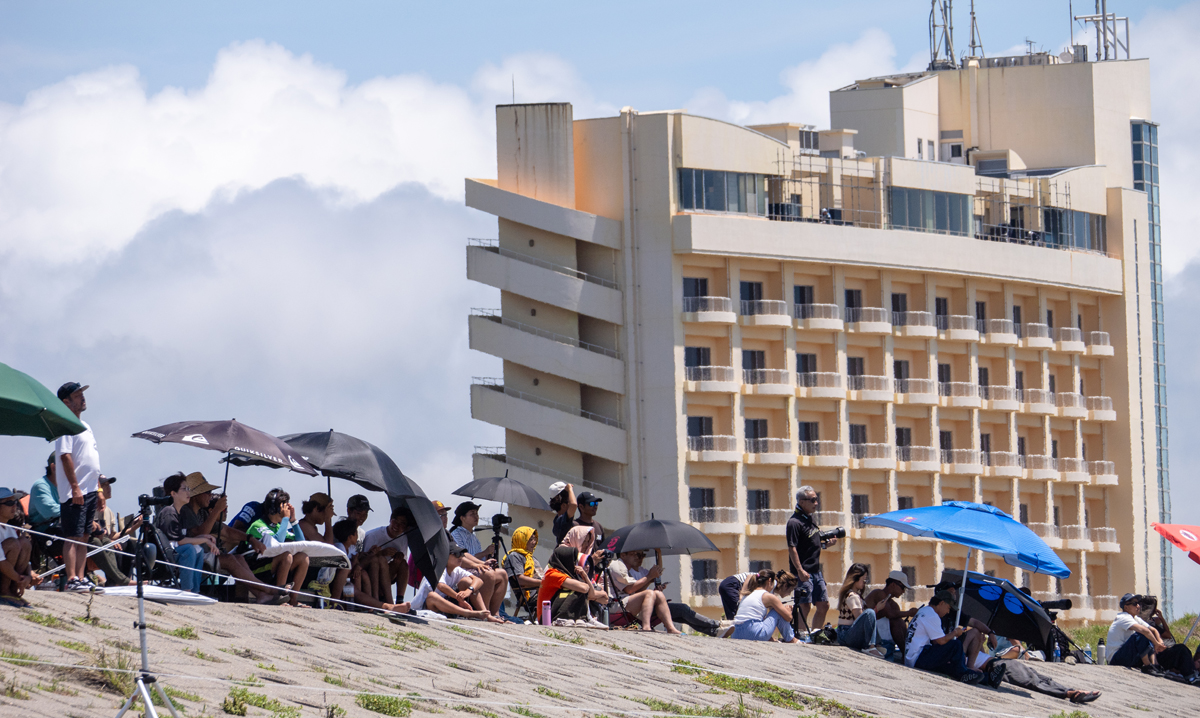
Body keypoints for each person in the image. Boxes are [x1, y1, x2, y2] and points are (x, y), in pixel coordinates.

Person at [54, 382, 105, 593]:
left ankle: (82, 577)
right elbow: (65, 456)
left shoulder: (85, 425)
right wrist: (75, 487)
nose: (82, 398)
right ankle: (71, 578)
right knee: (72, 536)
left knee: (84, 536)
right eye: (77, 395)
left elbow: (92, 460)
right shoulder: (65, 425)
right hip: (74, 492)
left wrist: (99, 490)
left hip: (90, 489)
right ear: (66, 402)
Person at [905, 591, 1005, 687]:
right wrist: (955, 633)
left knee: (950, 668)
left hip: (912, 659)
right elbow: (941, 641)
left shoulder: (924, 611)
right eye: (948, 608)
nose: (948, 611)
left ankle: (988, 678)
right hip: (919, 657)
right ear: (942, 603)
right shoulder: (932, 615)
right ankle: (963, 673)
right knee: (955, 645)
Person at [610, 549, 719, 635]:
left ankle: (713, 630)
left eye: (642, 555)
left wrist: (659, 554)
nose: (639, 558)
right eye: (635, 555)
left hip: (641, 604)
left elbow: (657, 574)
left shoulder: (639, 570)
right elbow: (630, 590)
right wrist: (649, 577)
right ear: (623, 555)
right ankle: (646, 626)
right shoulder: (619, 567)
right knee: (681, 609)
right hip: (623, 605)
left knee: (662, 596)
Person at [154, 472, 217, 594]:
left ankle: (195, 591)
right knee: (189, 549)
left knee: (198, 550)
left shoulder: (180, 512)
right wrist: (205, 540)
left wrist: (205, 537)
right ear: (173, 493)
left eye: (189, 489)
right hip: (164, 555)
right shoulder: (169, 512)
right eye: (184, 489)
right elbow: (179, 541)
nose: (188, 493)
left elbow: (181, 538)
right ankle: (186, 590)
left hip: (175, 551)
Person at [331, 518, 408, 614]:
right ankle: (386, 606)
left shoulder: (350, 548)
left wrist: (368, 554)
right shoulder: (340, 548)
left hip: (350, 580)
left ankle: (379, 606)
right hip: (341, 582)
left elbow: (356, 558)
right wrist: (357, 564)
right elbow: (344, 569)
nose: (358, 536)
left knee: (363, 575)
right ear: (350, 537)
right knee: (358, 587)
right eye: (356, 534)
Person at [786, 486, 836, 634]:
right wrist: (799, 570)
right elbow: (792, 548)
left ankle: (815, 634)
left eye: (816, 499)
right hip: (803, 571)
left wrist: (826, 545)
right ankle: (801, 635)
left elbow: (811, 544)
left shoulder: (810, 519)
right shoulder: (794, 522)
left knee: (823, 604)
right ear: (801, 502)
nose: (816, 503)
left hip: (816, 571)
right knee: (804, 605)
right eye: (812, 500)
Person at [245, 495, 309, 607]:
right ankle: (279, 597)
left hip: (272, 567)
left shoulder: (279, 527)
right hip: (255, 569)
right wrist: (285, 519)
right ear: (275, 509)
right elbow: (276, 543)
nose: (287, 510)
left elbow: (302, 543)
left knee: (303, 557)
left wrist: (293, 521)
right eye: (284, 507)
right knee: (286, 556)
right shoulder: (258, 525)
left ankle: (293, 599)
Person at [412, 543, 503, 622]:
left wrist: (469, 590)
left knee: (468, 581)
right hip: (425, 608)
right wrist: (458, 597)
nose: (460, 557)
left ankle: (486, 614)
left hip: (445, 607)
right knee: (432, 596)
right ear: (445, 556)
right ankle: (467, 613)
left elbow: (478, 580)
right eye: (456, 554)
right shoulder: (439, 568)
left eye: (462, 554)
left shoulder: (456, 570)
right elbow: (441, 586)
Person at [449, 502, 508, 617]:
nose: (476, 517)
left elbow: (476, 556)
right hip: (462, 571)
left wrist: (489, 555)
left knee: (502, 574)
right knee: (489, 573)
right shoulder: (456, 533)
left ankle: (496, 613)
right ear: (462, 518)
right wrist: (483, 559)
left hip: (474, 569)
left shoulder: (474, 538)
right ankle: (485, 612)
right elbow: (462, 555)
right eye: (472, 514)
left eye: (477, 513)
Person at [536, 545, 608, 626]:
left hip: (552, 611)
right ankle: (562, 618)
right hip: (546, 617)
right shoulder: (552, 574)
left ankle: (582, 619)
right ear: (565, 560)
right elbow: (584, 588)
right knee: (576, 590)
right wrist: (599, 593)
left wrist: (585, 577)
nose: (574, 564)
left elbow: (604, 599)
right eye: (573, 560)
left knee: (578, 588)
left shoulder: (566, 574)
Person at [87, 476, 140, 587]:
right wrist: (111, 541)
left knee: (127, 544)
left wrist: (133, 528)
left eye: (109, 485)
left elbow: (113, 535)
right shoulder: (91, 507)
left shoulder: (108, 511)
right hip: (93, 541)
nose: (109, 488)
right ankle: (116, 582)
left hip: (105, 540)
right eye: (104, 485)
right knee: (113, 545)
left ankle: (125, 579)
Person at [361, 505, 412, 605]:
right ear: (390, 520)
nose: (396, 526)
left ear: (406, 528)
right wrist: (381, 553)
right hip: (371, 573)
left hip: (388, 575)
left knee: (403, 564)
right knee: (381, 560)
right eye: (395, 521)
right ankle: (384, 599)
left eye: (402, 524)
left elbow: (402, 562)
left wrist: (399, 557)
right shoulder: (373, 535)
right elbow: (364, 561)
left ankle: (400, 600)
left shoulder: (403, 538)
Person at [731, 569, 799, 643]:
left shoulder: (747, 594)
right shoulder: (768, 596)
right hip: (752, 632)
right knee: (777, 610)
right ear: (769, 581)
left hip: (736, 633)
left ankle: (775, 639)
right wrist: (788, 611)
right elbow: (788, 618)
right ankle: (791, 640)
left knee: (763, 617)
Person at [863, 570, 919, 660]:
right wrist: (909, 613)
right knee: (897, 621)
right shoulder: (878, 593)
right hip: (868, 638)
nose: (903, 591)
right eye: (902, 587)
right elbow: (890, 614)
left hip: (886, 643)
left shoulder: (894, 605)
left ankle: (905, 653)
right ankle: (905, 653)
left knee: (900, 622)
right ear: (893, 584)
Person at [1107, 593, 1167, 673]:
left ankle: (1155, 665)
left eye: (1138, 603)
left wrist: (1160, 642)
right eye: (1134, 604)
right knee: (1141, 635)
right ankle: (1147, 666)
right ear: (1126, 607)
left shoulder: (1135, 618)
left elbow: (1153, 630)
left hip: (1127, 655)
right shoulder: (1123, 617)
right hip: (1116, 658)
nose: (1138, 606)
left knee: (1149, 637)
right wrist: (1156, 643)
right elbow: (1144, 630)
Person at [1138, 595, 1196, 678]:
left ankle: (1189, 673)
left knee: (1181, 650)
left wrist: (1159, 620)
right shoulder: (1150, 623)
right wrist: (1162, 619)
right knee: (1182, 649)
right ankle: (1190, 675)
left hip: (1152, 653)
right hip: (1157, 655)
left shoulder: (1143, 620)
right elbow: (1168, 635)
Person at [0, 487, 40, 607]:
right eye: (9, 503)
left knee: (24, 542)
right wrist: (19, 579)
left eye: (15, 502)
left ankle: (12, 591)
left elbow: (25, 560)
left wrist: (28, 577)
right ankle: (4, 591)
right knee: (13, 544)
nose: (14, 506)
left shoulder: (9, 529)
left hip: (11, 574)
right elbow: (1, 562)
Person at [835, 563, 885, 657]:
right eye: (864, 580)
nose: (865, 582)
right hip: (846, 634)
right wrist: (876, 609)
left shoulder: (853, 595)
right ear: (856, 578)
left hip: (845, 633)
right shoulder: (852, 596)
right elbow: (860, 618)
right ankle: (870, 646)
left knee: (871, 614)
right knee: (870, 613)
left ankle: (877, 644)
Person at [503, 526, 544, 617]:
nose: (534, 542)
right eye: (530, 539)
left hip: (543, 588)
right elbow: (519, 579)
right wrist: (543, 583)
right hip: (532, 594)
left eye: (535, 539)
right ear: (521, 539)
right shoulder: (514, 556)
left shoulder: (531, 558)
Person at [27, 454, 60, 529]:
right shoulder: (40, 485)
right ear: (53, 467)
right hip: (44, 532)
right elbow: (51, 511)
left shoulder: (67, 486)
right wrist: (77, 511)